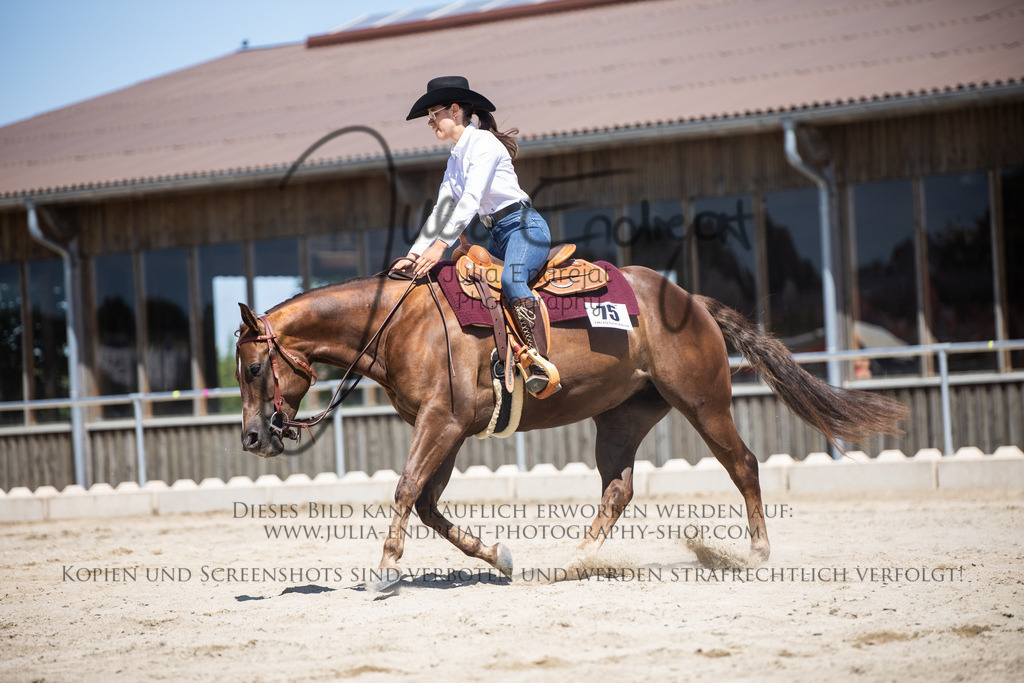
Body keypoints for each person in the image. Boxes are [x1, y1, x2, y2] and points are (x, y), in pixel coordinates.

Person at [395, 76, 557, 396]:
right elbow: (442, 210)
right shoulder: (455, 158)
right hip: (497, 235)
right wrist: (413, 255)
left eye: (433, 114)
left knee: (511, 281)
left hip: (524, 228)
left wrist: (440, 245)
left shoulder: (483, 144)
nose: (430, 122)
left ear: (455, 110)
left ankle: (540, 361)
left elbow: (470, 199)